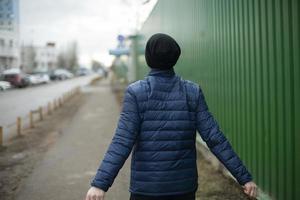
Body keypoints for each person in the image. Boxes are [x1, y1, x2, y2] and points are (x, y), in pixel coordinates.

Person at [85, 33, 257, 200]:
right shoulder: (192, 92)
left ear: (148, 58)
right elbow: (214, 138)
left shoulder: (136, 93)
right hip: (183, 189)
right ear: (175, 58)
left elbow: (122, 141)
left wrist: (100, 184)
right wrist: (244, 177)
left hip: (147, 189)